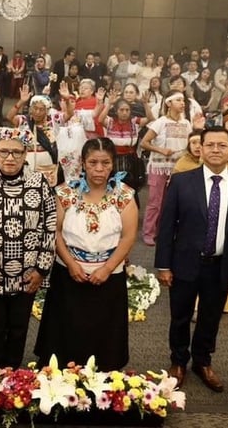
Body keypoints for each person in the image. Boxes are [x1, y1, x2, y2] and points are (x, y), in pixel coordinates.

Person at [155, 127, 228, 392]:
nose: (215, 150)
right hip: (184, 263)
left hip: (221, 265)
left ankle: (203, 361)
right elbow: (166, 226)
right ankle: (178, 361)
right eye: (209, 145)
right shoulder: (181, 181)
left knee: (210, 318)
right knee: (180, 316)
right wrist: (163, 265)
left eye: (221, 145)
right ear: (200, 148)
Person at [34, 138, 138, 371]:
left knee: (104, 333)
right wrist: (71, 264)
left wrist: (107, 269)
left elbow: (128, 237)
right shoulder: (66, 192)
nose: (99, 169)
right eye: (93, 162)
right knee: (65, 329)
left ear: (113, 164)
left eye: (105, 163)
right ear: (83, 163)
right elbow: (55, 232)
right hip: (68, 274)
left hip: (109, 277)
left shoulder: (124, 195)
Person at [0, 130, 57, 369]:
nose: (10, 158)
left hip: (28, 274)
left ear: (25, 153)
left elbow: (49, 227)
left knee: (19, 328)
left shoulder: (40, 183)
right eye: (4, 151)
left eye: (16, 152)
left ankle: (14, 376)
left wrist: (41, 269)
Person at [140, 90, 204, 246]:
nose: (182, 103)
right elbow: (144, 143)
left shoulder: (186, 123)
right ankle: (148, 232)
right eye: (178, 100)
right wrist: (161, 150)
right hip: (159, 167)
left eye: (183, 100)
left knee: (171, 203)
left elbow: (192, 144)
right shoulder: (160, 121)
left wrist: (197, 129)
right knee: (155, 202)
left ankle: (164, 232)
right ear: (169, 103)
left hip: (178, 169)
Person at [6, 84, 75, 187]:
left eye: (41, 109)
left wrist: (67, 99)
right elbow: (9, 117)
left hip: (48, 165)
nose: (37, 112)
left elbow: (69, 114)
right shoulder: (25, 121)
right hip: (27, 164)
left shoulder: (53, 120)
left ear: (47, 110)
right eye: (35, 108)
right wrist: (21, 101)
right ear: (31, 109)